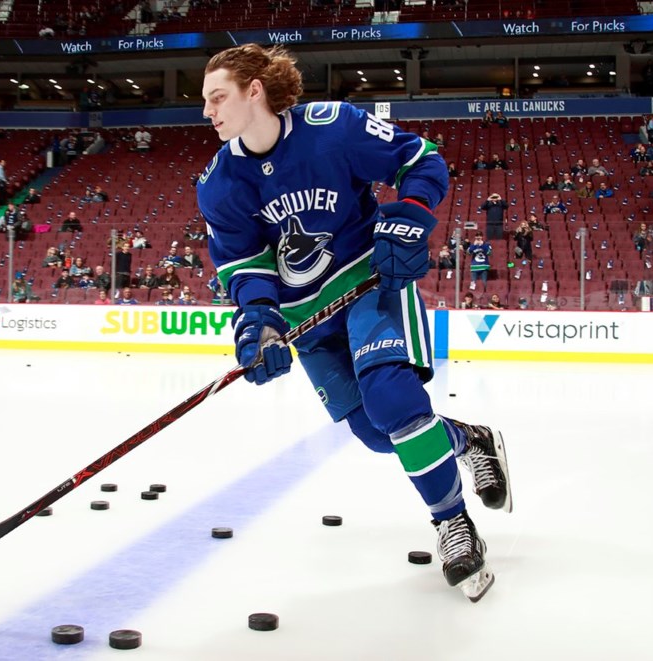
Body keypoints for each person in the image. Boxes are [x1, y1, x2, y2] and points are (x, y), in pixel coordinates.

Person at [196, 44, 510, 603]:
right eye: (205, 101)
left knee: (394, 401)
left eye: (217, 97)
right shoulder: (219, 183)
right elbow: (244, 268)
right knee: (373, 434)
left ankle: (452, 526)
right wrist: (262, 323)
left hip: (367, 286)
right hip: (307, 319)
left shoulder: (332, 128)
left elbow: (421, 160)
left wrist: (411, 218)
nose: (207, 111)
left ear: (254, 91)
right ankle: (469, 439)